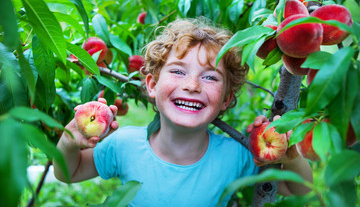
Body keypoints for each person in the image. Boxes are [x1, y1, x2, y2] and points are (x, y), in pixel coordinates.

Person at [54, 18, 313, 206]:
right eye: (178, 71)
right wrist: (68, 141)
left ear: (226, 99)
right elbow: (69, 172)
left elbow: (298, 188)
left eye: (210, 77)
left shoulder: (236, 155)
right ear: (152, 85)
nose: (192, 85)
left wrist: (291, 158)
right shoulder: (124, 145)